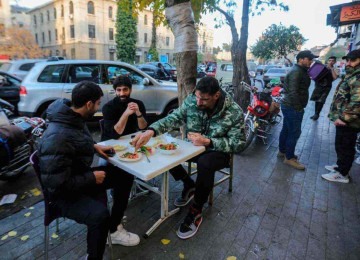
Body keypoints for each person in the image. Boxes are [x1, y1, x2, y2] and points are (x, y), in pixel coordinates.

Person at [131, 77, 245, 239]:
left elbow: (238, 143)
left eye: (204, 99)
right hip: (192, 147)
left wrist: (209, 141)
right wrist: (151, 131)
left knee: (206, 163)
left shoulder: (233, 111)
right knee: (165, 149)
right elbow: (174, 118)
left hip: (218, 151)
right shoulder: (192, 101)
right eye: (197, 97)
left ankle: (196, 210)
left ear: (216, 95)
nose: (198, 102)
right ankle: (189, 185)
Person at [38, 81, 140, 260]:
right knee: (100, 216)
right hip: (62, 194)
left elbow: (76, 141)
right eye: (98, 103)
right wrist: (91, 178)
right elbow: (55, 184)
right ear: (89, 104)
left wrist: (95, 147)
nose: (99, 107)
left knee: (125, 175)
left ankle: (115, 229)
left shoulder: (73, 118)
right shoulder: (57, 137)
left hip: (77, 176)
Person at [322, 49, 360, 183]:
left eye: (353, 60)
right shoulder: (352, 74)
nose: (349, 63)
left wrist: (343, 118)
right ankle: (340, 166)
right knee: (341, 145)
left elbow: (357, 102)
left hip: (349, 121)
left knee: (346, 147)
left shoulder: (358, 77)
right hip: (344, 119)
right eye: (348, 60)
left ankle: (342, 174)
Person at [278, 50, 318, 170]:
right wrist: (298, 108)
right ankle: (289, 158)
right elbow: (293, 92)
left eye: (312, 59)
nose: (311, 61)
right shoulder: (296, 72)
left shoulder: (301, 71)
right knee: (294, 132)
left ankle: (283, 151)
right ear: (301, 59)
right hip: (292, 107)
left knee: (286, 129)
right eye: (309, 59)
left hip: (290, 106)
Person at [101, 75, 147, 141]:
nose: (122, 93)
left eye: (125, 89)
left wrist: (138, 113)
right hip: (112, 142)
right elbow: (115, 134)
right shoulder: (108, 107)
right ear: (115, 91)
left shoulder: (138, 104)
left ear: (130, 90)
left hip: (130, 139)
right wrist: (126, 114)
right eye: (119, 90)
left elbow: (143, 127)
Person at [310, 56, 339, 120]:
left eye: (332, 61)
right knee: (316, 99)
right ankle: (315, 113)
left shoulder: (336, 69)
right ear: (327, 61)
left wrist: (331, 69)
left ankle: (317, 114)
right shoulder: (322, 67)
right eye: (330, 60)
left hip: (327, 87)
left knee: (321, 100)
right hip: (318, 85)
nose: (331, 62)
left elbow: (335, 78)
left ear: (335, 62)